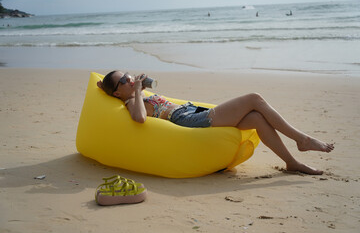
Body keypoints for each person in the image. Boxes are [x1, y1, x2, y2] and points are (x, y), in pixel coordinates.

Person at [97, 70, 334, 175]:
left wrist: (136, 88)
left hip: (192, 111)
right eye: (124, 81)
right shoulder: (130, 102)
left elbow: (131, 98)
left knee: (256, 118)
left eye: (128, 76)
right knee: (254, 98)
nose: (130, 79)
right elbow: (139, 118)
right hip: (188, 120)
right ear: (117, 93)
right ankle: (302, 139)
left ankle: (291, 163)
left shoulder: (134, 94)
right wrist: (137, 91)